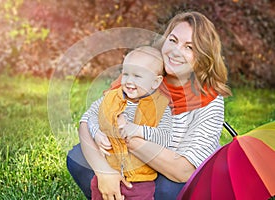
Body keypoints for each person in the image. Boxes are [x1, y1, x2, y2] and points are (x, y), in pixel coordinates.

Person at [67, 11, 232, 200]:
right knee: (78, 157)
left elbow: (183, 171)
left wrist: (129, 136)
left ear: (202, 56)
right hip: (129, 163)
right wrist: (104, 171)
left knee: (167, 191)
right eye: (173, 40)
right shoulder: (141, 73)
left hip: (171, 174)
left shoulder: (209, 100)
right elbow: (87, 120)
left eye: (189, 47)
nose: (176, 51)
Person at [88, 46, 172, 200]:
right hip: (107, 173)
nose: (129, 81)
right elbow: (91, 115)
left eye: (137, 76)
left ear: (155, 82)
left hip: (140, 182)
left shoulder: (161, 107)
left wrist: (138, 130)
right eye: (125, 74)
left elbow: (165, 138)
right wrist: (96, 134)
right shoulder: (112, 97)